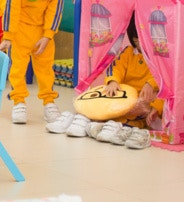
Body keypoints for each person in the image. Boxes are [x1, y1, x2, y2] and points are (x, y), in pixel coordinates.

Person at [47, 16, 160, 150]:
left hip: (141, 104)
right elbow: (116, 68)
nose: (140, 44)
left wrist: (152, 92)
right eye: (137, 40)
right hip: (122, 96)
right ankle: (83, 118)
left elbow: (164, 79)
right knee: (102, 98)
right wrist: (113, 81)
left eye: (143, 39)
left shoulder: (159, 58)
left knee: (134, 116)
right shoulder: (128, 52)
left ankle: (114, 126)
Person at [0, 0, 64, 125]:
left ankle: (49, 102)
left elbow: (55, 8)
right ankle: (19, 101)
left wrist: (48, 35)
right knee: (17, 68)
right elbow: (12, 7)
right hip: (20, 30)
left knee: (45, 69)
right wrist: (8, 36)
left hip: (43, 32)